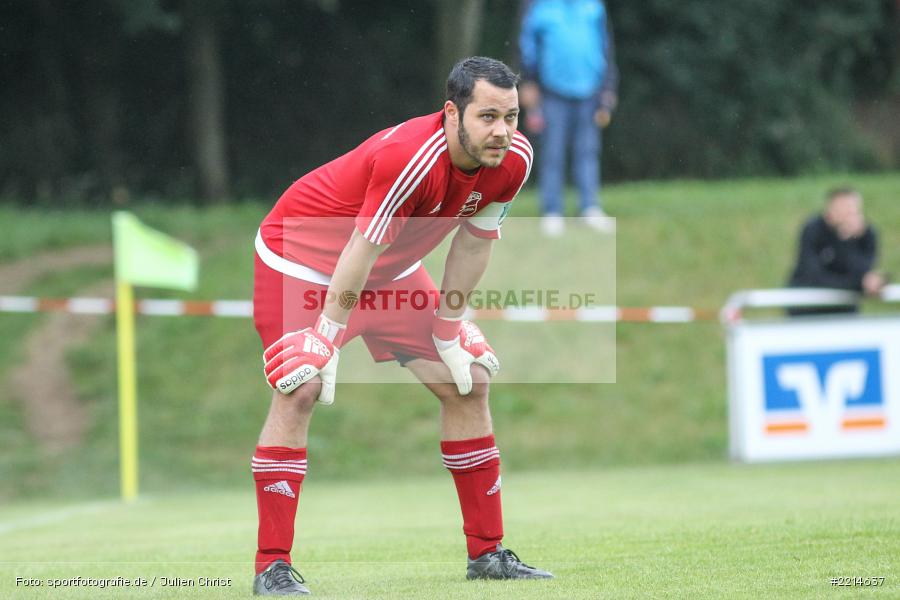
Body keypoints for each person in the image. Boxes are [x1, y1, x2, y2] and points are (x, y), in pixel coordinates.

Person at [249, 56, 553, 595]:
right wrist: (324, 334)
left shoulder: (514, 160)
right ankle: (271, 567)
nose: (502, 131)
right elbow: (360, 247)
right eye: (487, 117)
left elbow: (474, 242)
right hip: (300, 260)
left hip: (388, 272)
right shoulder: (410, 157)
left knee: (470, 381)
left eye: (510, 116)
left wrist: (448, 326)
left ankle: (487, 554)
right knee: (302, 388)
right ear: (450, 113)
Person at [518, 0, 619, 237]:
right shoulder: (537, 5)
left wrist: (608, 89)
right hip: (551, 92)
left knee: (587, 152)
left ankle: (589, 207)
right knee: (553, 152)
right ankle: (552, 211)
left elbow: (606, 48)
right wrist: (528, 82)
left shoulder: (594, 6)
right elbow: (526, 46)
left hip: (590, 91)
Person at [787, 186, 886, 316]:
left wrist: (848, 239)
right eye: (845, 211)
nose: (850, 217)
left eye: (853, 211)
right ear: (830, 211)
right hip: (808, 309)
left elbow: (864, 271)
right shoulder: (813, 230)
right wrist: (858, 284)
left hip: (845, 309)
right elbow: (813, 277)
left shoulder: (866, 235)